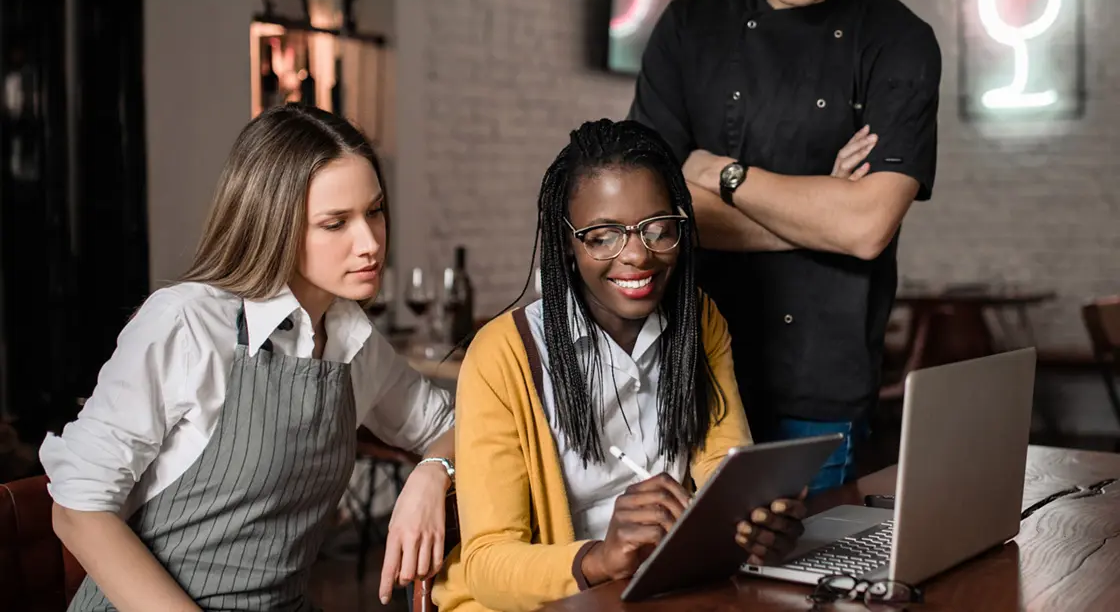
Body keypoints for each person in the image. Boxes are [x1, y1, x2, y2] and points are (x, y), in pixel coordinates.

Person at [40, 104, 456, 611]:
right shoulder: (186, 324)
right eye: (335, 223)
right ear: (273, 224)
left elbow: (460, 425)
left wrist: (432, 471)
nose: (369, 242)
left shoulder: (354, 341)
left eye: (374, 211)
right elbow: (77, 510)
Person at [628, 0, 940, 493]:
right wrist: (817, 208)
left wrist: (721, 174)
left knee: (800, 585)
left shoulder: (900, 42)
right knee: (677, 585)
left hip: (816, 390)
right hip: (681, 374)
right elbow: (650, 216)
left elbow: (866, 226)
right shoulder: (687, 27)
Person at [432, 119, 807, 612]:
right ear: (567, 242)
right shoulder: (504, 355)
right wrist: (600, 560)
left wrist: (753, 521)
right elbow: (487, 563)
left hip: (662, 589)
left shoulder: (698, 320)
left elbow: (724, 466)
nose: (636, 255)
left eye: (657, 229)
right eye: (602, 236)